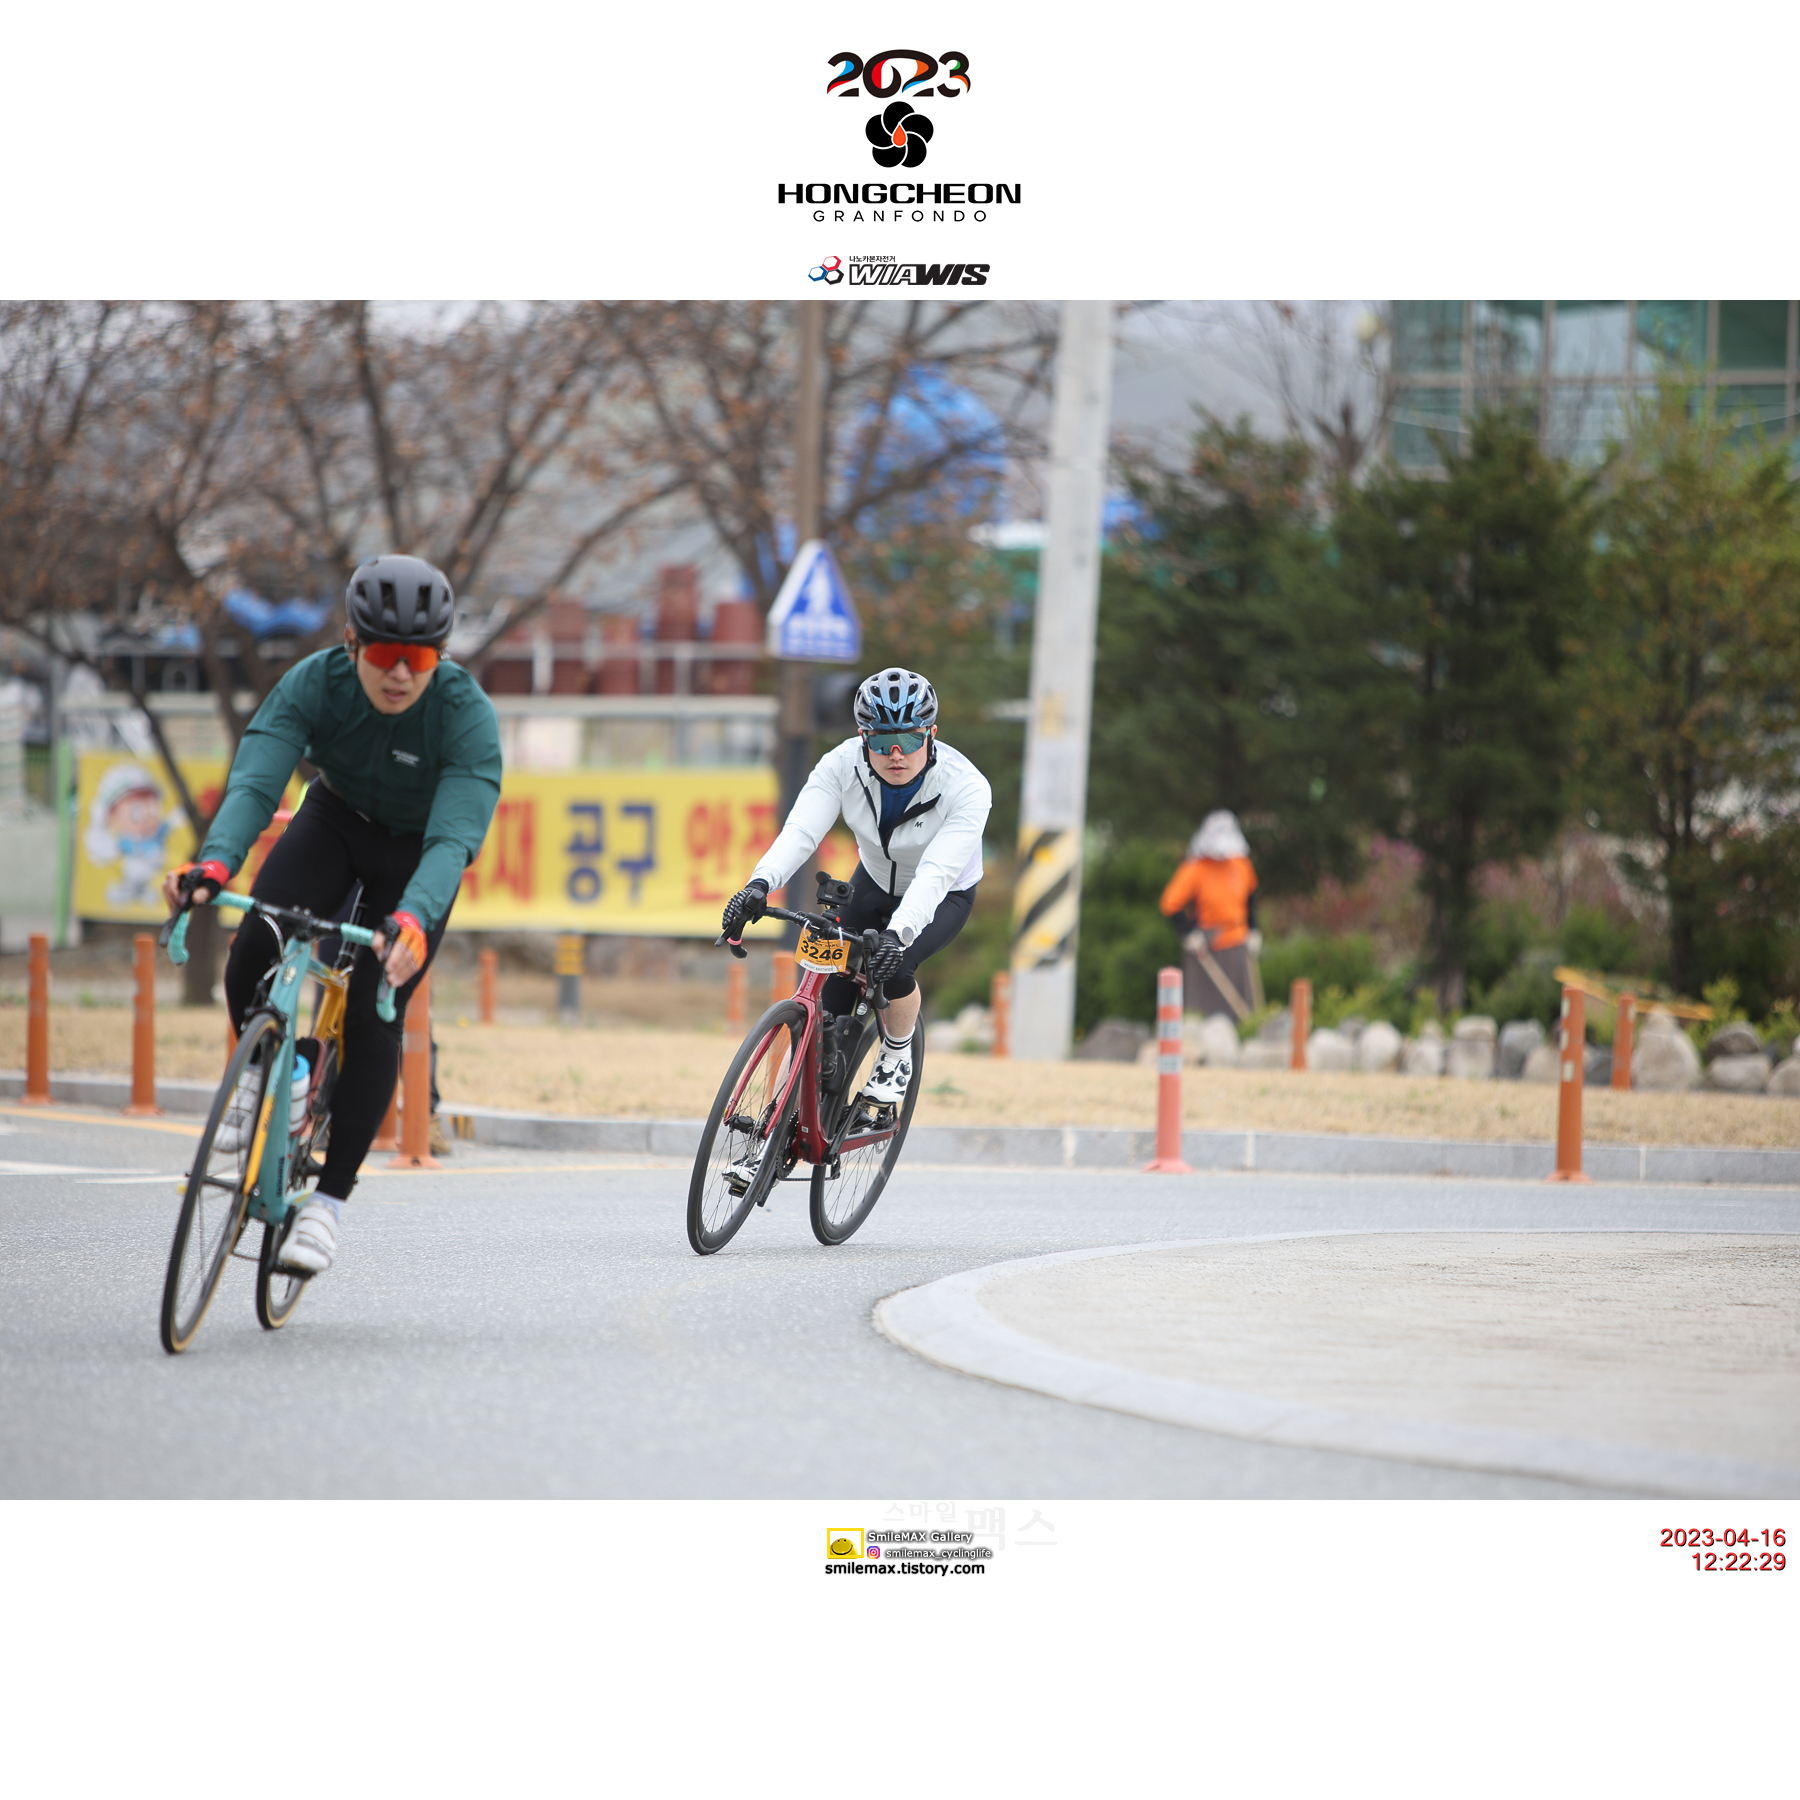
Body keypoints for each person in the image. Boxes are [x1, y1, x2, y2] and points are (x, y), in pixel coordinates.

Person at [162, 555, 501, 1276]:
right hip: (335, 820)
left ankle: (328, 1204)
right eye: (385, 654)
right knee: (256, 941)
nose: (401, 673)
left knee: (378, 1007)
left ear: (440, 657)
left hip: (417, 855)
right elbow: (257, 781)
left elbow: (452, 840)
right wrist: (214, 864)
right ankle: (272, 1076)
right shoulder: (315, 682)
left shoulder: (466, 715)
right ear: (353, 644)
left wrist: (414, 919)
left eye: (420, 658)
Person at [719, 667, 991, 1139]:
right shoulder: (841, 765)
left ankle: (896, 1056)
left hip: (942, 893)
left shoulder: (967, 786)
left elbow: (936, 873)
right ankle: (782, 1118)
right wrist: (758, 885)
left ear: (931, 733)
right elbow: (801, 831)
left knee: (896, 966)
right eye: (882, 740)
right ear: (863, 737)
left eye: (908, 738)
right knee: (827, 994)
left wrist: (897, 935)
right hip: (874, 880)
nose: (896, 753)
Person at [1159, 810, 1260, 1020]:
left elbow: (1250, 897)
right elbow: (1170, 903)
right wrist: (1187, 933)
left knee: (1243, 1004)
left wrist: (1253, 929)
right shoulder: (1195, 868)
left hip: (1238, 940)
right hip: (1206, 945)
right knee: (1206, 1007)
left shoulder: (1240, 864)